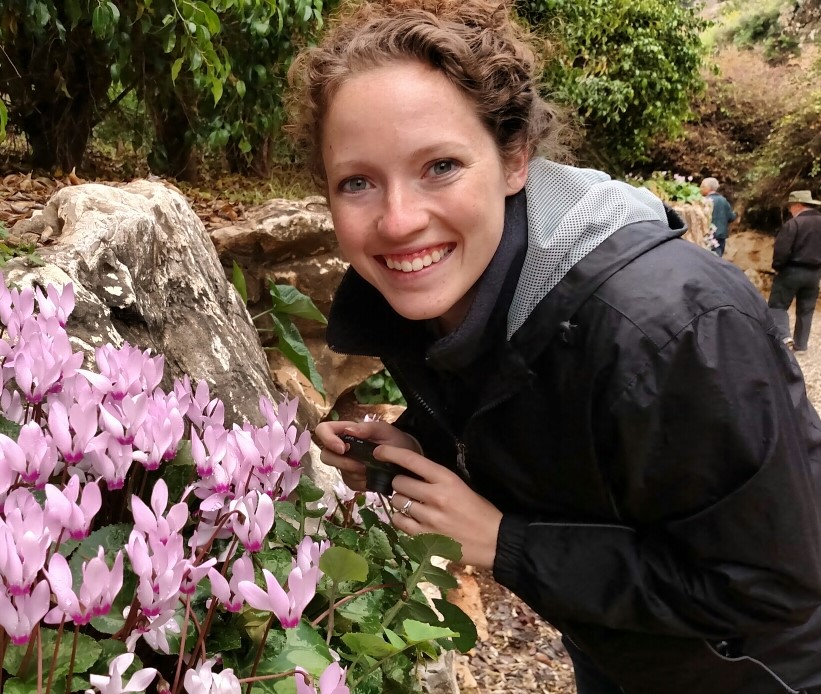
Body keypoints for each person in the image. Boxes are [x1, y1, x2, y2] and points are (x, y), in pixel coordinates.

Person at [289, 1, 821, 691]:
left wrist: (505, 543)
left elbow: (772, 581)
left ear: (514, 159)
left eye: (440, 166)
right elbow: (542, 432)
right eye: (357, 182)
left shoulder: (671, 331)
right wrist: (421, 446)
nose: (397, 220)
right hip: (617, 650)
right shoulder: (451, 297)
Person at [768, 189, 821, 352]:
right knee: (806, 309)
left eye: (790, 206)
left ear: (798, 205)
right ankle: (801, 344)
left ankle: (784, 337)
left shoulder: (794, 224)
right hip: (814, 273)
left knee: (777, 305)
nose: (790, 210)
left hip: (791, 270)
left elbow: (782, 250)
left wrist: (778, 266)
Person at [699, 176, 737, 257]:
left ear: (708, 188)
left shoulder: (704, 201)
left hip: (707, 235)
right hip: (721, 235)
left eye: (702, 186)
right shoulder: (723, 200)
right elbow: (731, 217)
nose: (700, 189)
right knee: (717, 257)